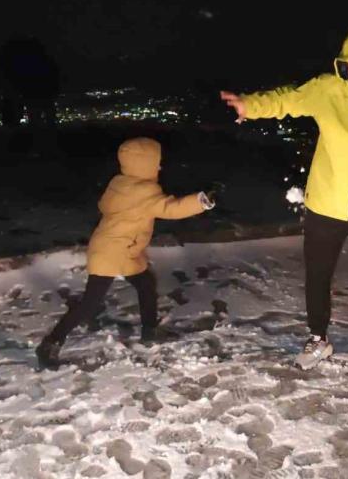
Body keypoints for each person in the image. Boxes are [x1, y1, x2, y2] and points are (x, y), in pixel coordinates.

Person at [220, 27, 348, 376]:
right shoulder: (328, 89)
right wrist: (250, 105)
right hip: (325, 205)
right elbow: (287, 99)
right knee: (318, 277)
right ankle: (318, 339)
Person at [35, 137, 216, 369]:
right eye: (156, 162)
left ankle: (150, 331)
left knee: (145, 283)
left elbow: (105, 205)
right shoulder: (144, 190)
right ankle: (50, 343)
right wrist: (201, 202)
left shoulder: (120, 183)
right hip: (112, 252)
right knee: (89, 304)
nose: (160, 166)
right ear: (144, 164)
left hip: (121, 248)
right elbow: (169, 209)